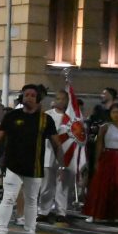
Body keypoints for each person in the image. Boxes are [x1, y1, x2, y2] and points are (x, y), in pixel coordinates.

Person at [0, 84, 63, 234]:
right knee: (8, 198)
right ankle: (1, 233)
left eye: (32, 95)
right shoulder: (12, 116)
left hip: (34, 167)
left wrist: (62, 166)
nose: (28, 97)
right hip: (13, 166)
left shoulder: (45, 120)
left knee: (31, 201)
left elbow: (57, 144)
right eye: (26, 94)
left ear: (38, 99)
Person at [82, 103, 118, 222]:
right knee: (101, 186)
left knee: (117, 186)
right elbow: (99, 145)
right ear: (110, 114)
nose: (116, 115)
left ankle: (112, 215)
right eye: (113, 112)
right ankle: (96, 214)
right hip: (106, 157)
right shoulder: (104, 127)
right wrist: (96, 161)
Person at [39, 89, 77, 221]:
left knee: (62, 185)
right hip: (48, 154)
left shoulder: (72, 118)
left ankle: (61, 212)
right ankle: (44, 211)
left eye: (63, 99)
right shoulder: (47, 115)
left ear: (67, 101)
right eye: (58, 98)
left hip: (65, 155)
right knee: (46, 185)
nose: (60, 101)